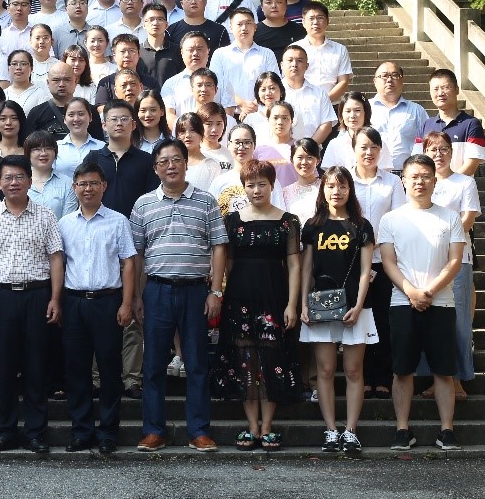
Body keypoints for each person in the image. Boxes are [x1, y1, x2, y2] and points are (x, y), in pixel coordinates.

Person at [129, 139, 229, 452]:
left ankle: (199, 431)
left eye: (176, 159)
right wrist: (136, 297)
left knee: (196, 363)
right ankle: (153, 431)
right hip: (157, 290)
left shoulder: (206, 201)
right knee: (153, 364)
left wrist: (215, 291)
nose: (170, 166)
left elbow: (219, 246)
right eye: (164, 161)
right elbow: (136, 255)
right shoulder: (143, 204)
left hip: (196, 291)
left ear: (186, 163)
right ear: (155, 168)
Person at [0, 155, 65, 453]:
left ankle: (35, 433)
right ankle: (5, 432)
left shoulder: (45, 215)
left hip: (37, 295)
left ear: (29, 180)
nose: (13, 183)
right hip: (1, 297)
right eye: (7, 178)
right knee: (4, 366)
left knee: (36, 366)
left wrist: (55, 298)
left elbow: (56, 258)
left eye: (19, 177)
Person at [213, 160, 303, 451]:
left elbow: (294, 265)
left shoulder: (288, 221)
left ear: (272, 185)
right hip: (239, 300)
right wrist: (225, 296)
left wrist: (292, 304)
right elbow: (227, 263)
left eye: (262, 184)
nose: (256, 190)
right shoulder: (232, 221)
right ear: (243, 187)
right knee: (246, 361)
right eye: (250, 185)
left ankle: (267, 427)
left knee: (273, 359)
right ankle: (252, 426)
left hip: (275, 299)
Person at [380, 155, 468, 451]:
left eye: (426, 176)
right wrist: (411, 292)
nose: (420, 181)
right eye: (414, 176)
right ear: (403, 180)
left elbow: (455, 261)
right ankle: (402, 429)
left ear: (435, 180)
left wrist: (428, 291)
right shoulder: (391, 219)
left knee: (443, 370)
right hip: (401, 302)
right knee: (402, 369)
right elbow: (388, 262)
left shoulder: (450, 217)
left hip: (441, 303)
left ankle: (447, 430)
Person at [59, 161, 138, 454]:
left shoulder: (118, 221)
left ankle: (107, 432)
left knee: (109, 368)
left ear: (104, 186)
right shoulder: (64, 223)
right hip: (74, 302)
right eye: (82, 184)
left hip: (108, 301)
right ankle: (81, 431)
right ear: (74, 188)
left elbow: (128, 264)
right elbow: (59, 265)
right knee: (76, 369)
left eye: (93, 183)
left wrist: (127, 303)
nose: (88, 189)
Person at [300, 166, 378, 454]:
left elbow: (366, 271)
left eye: (343, 186)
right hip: (320, 307)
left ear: (350, 190)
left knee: (354, 370)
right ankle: (331, 430)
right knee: (325, 369)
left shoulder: (362, 225)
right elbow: (306, 268)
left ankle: (351, 431)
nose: (337, 191)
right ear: (323, 189)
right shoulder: (313, 225)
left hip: (355, 307)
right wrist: (303, 304)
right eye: (331, 186)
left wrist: (358, 306)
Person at [418, 132, 481, 400]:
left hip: (458, 259)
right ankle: (437, 378)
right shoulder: (421, 183)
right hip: (425, 261)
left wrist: (443, 241)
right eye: (433, 149)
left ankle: (456, 379)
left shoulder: (464, 182)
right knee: (431, 322)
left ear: (452, 153)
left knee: (458, 321)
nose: (439, 154)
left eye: (444, 149)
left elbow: (468, 219)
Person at [352, 126, 407, 401]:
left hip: (384, 262)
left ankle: (383, 377)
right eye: (363, 146)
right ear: (354, 149)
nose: (369, 152)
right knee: (359, 319)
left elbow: (399, 220)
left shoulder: (392, 182)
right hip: (352, 262)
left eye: (374, 147)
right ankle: (361, 377)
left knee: (384, 320)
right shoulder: (345, 179)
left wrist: (376, 247)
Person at [91, 100, 159, 216]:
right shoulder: (93, 159)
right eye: (113, 119)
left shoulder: (147, 160)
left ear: (133, 125)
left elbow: (153, 198)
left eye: (124, 119)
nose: (119, 123)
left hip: (137, 223)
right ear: (104, 125)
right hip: (100, 223)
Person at [418, 68, 485, 175]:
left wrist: (446, 183)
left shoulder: (471, 124)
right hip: (432, 185)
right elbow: (418, 161)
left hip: (461, 185)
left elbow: (472, 164)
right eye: (435, 89)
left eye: (445, 87)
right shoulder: (426, 125)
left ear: (457, 89)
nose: (440, 93)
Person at [370, 60, 429, 172]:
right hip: (372, 174)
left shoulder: (417, 110)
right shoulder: (365, 108)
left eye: (394, 75)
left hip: (407, 175)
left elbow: (429, 142)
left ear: (402, 80)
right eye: (384, 76)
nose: (389, 80)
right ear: (375, 81)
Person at [280, 44, 337, 143]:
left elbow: (326, 125)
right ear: (281, 65)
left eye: (299, 60)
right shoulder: (273, 93)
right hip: (278, 150)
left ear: (307, 66)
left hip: (311, 150)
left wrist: (307, 148)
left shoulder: (320, 94)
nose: (294, 64)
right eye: (290, 60)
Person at [299, 2, 353, 101]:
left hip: (332, 104)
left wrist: (324, 101)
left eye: (320, 18)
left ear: (327, 21)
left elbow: (343, 81)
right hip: (301, 103)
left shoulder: (340, 49)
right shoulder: (295, 49)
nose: (315, 22)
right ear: (303, 22)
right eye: (311, 18)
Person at [54, 97, 105, 177]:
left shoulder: (102, 147)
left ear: (90, 117)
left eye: (81, 114)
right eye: (71, 115)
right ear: (64, 119)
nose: (76, 119)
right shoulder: (55, 148)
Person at [282, 138, 323, 225]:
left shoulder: (325, 188)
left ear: (318, 160)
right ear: (292, 160)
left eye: (309, 157)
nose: (304, 162)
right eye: (300, 157)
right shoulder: (285, 192)